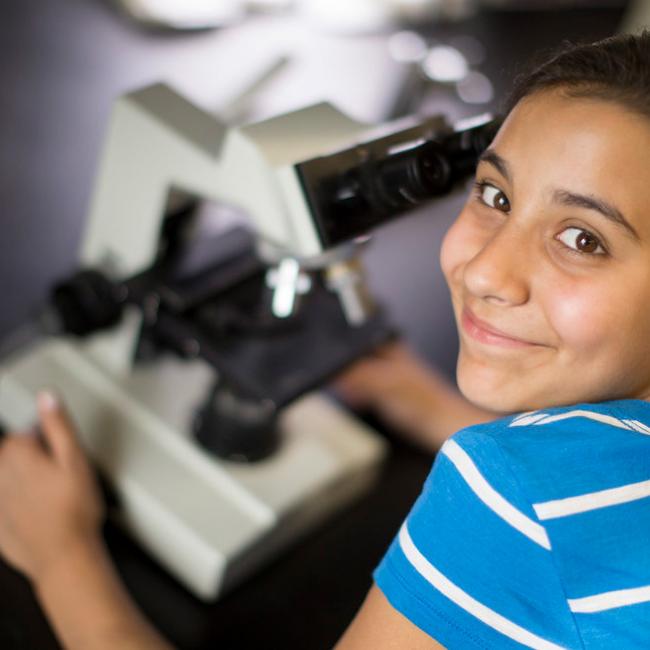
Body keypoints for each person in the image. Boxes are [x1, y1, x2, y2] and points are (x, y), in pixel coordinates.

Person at [1, 30, 650, 649]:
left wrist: (61, 556)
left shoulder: (510, 492)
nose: (483, 271)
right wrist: (436, 411)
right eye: (495, 194)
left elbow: (540, 526)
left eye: (582, 239)